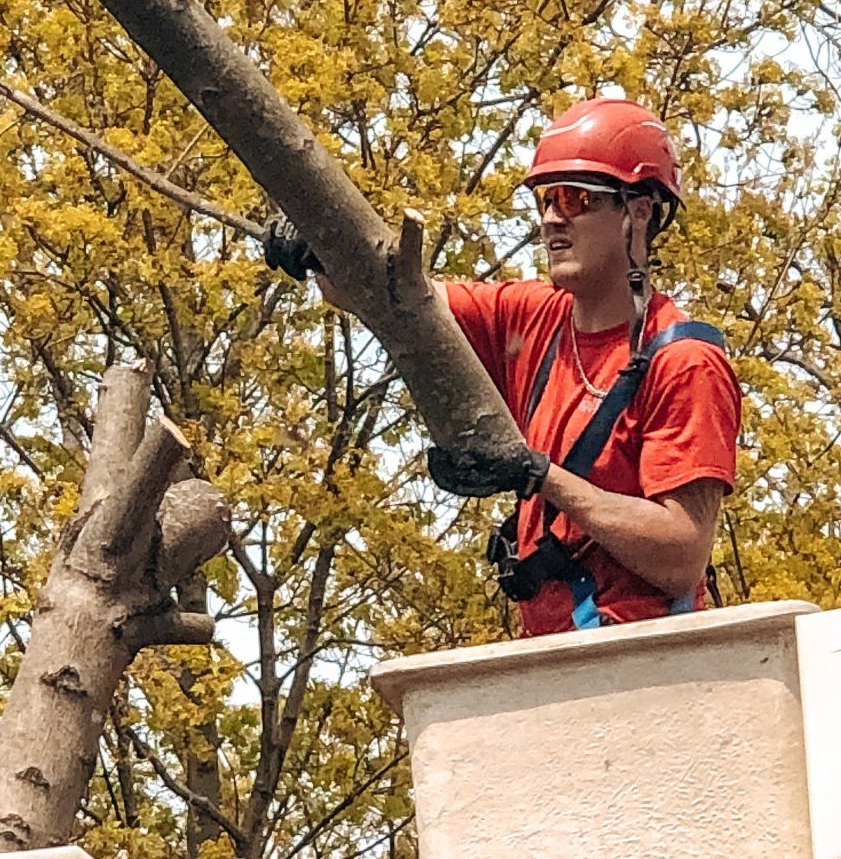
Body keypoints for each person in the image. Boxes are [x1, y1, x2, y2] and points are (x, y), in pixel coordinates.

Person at [269, 98, 741, 636]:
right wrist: (321, 245)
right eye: (546, 200)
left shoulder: (683, 362)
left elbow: (681, 557)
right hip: (549, 652)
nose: (552, 219)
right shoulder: (529, 316)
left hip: (644, 658)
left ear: (638, 211)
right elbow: (393, 296)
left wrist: (538, 476)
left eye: (575, 198)